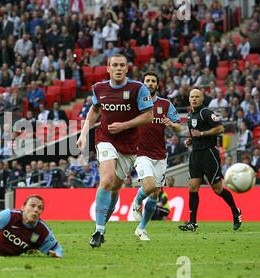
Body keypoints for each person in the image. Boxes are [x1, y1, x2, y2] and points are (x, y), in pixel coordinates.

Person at [76, 54, 154, 248]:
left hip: (129, 145)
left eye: (122, 65)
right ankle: (98, 231)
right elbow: (94, 110)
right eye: (114, 65)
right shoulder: (99, 88)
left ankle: (103, 227)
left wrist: (124, 125)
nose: (118, 68)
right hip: (105, 139)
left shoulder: (138, 88)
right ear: (108, 69)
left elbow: (148, 116)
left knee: (116, 188)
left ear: (127, 69)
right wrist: (84, 133)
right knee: (107, 179)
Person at [179, 89, 242, 232]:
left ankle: (235, 211)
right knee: (192, 187)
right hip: (195, 155)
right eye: (192, 97)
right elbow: (195, 134)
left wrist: (201, 134)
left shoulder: (206, 113)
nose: (194, 99)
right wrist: (191, 140)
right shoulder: (190, 116)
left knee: (217, 189)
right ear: (189, 99)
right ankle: (192, 222)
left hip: (209, 154)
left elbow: (220, 128)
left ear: (202, 99)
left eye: (197, 97)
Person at [129, 72, 182, 241]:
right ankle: (136, 203)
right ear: (143, 84)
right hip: (140, 152)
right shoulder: (135, 103)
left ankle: (141, 229)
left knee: (155, 193)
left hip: (160, 154)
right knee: (150, 186)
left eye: (153, 81)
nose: (150, 83)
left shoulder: (165, 104)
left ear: (157, 85)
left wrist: (171, 125)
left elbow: (179, 128)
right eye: (147, 81)